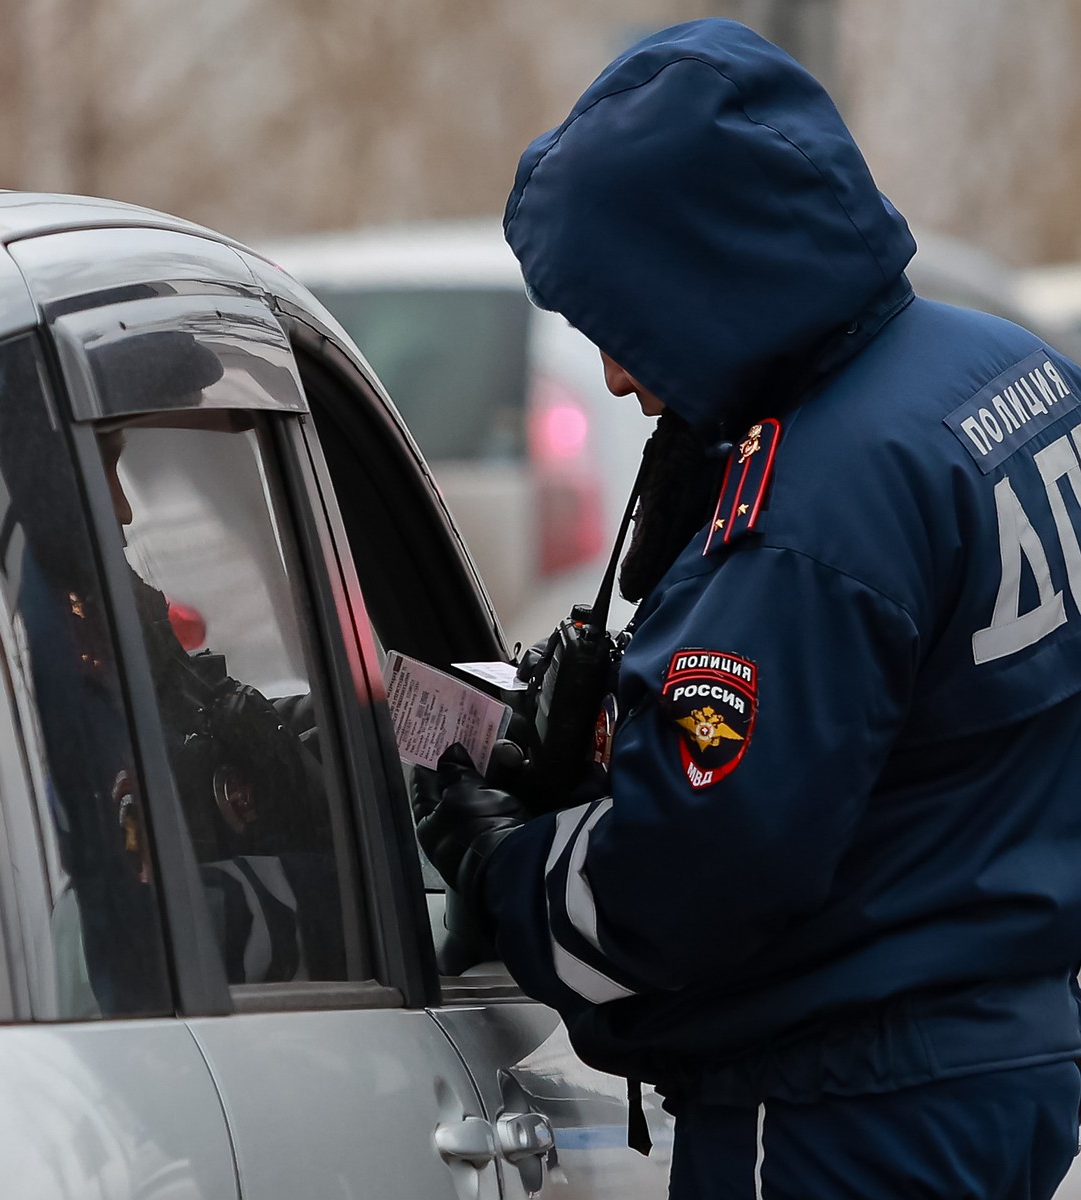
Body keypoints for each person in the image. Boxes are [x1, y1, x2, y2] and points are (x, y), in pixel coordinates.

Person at [412, 18, 1081, 1199]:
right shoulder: (1013, 373)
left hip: (845, 1113)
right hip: (1012, 1058)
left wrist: (507, 864)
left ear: (698, 275)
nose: (618, 375)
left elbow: (698, 877)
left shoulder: (811, 510)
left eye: (619, 322)